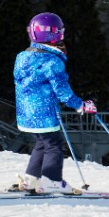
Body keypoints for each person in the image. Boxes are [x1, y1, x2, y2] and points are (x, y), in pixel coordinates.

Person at [14, 12, 97, 194]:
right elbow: (62, 91)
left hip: (25, 114)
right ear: (55, 34)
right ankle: (51, 180)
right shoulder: (52, 61)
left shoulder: (22, 57)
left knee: (42, 143)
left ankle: (31, 179)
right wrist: (80, 105)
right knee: (54, 144)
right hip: (43, 113)